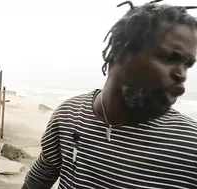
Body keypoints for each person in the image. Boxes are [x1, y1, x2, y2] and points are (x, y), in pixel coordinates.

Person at [22, 1, 197, 189]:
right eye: (169, 58)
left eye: (187, 64)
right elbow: (41, 175)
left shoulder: (190, 147)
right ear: (121, 52)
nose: (182, 74)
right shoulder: (68, 115)